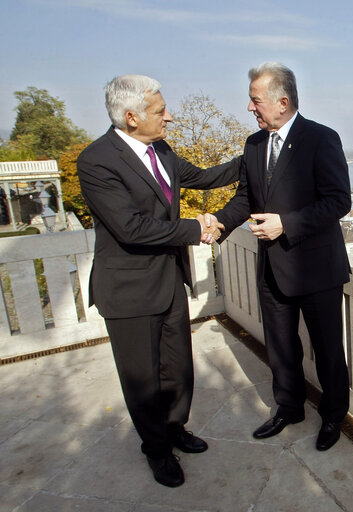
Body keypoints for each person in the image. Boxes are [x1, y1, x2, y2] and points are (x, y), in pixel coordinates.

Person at [77, 74, 239, 487]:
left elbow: (203, 177)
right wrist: (195, 229)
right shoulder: (97, 160)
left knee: (177, 368)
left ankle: (176, 429)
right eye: (160, 111)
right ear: (132, 117)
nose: (170, 117)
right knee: (143, 380)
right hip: (128, 290)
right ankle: (157, 449)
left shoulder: (161, 150)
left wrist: (259, 152)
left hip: (168, 280)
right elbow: (131, 228)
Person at [208, 62, 351, 451]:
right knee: (281, 347)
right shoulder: (254, 144)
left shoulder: (321, 138)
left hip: (317, 269)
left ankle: (334, 415)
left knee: (327, 350)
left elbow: (339, 201)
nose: (250, 108)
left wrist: (285, 224)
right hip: (271, 265)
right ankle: (289, 408)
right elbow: (245, 198)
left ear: (282, 101)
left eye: (256, 101)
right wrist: (218, 224)